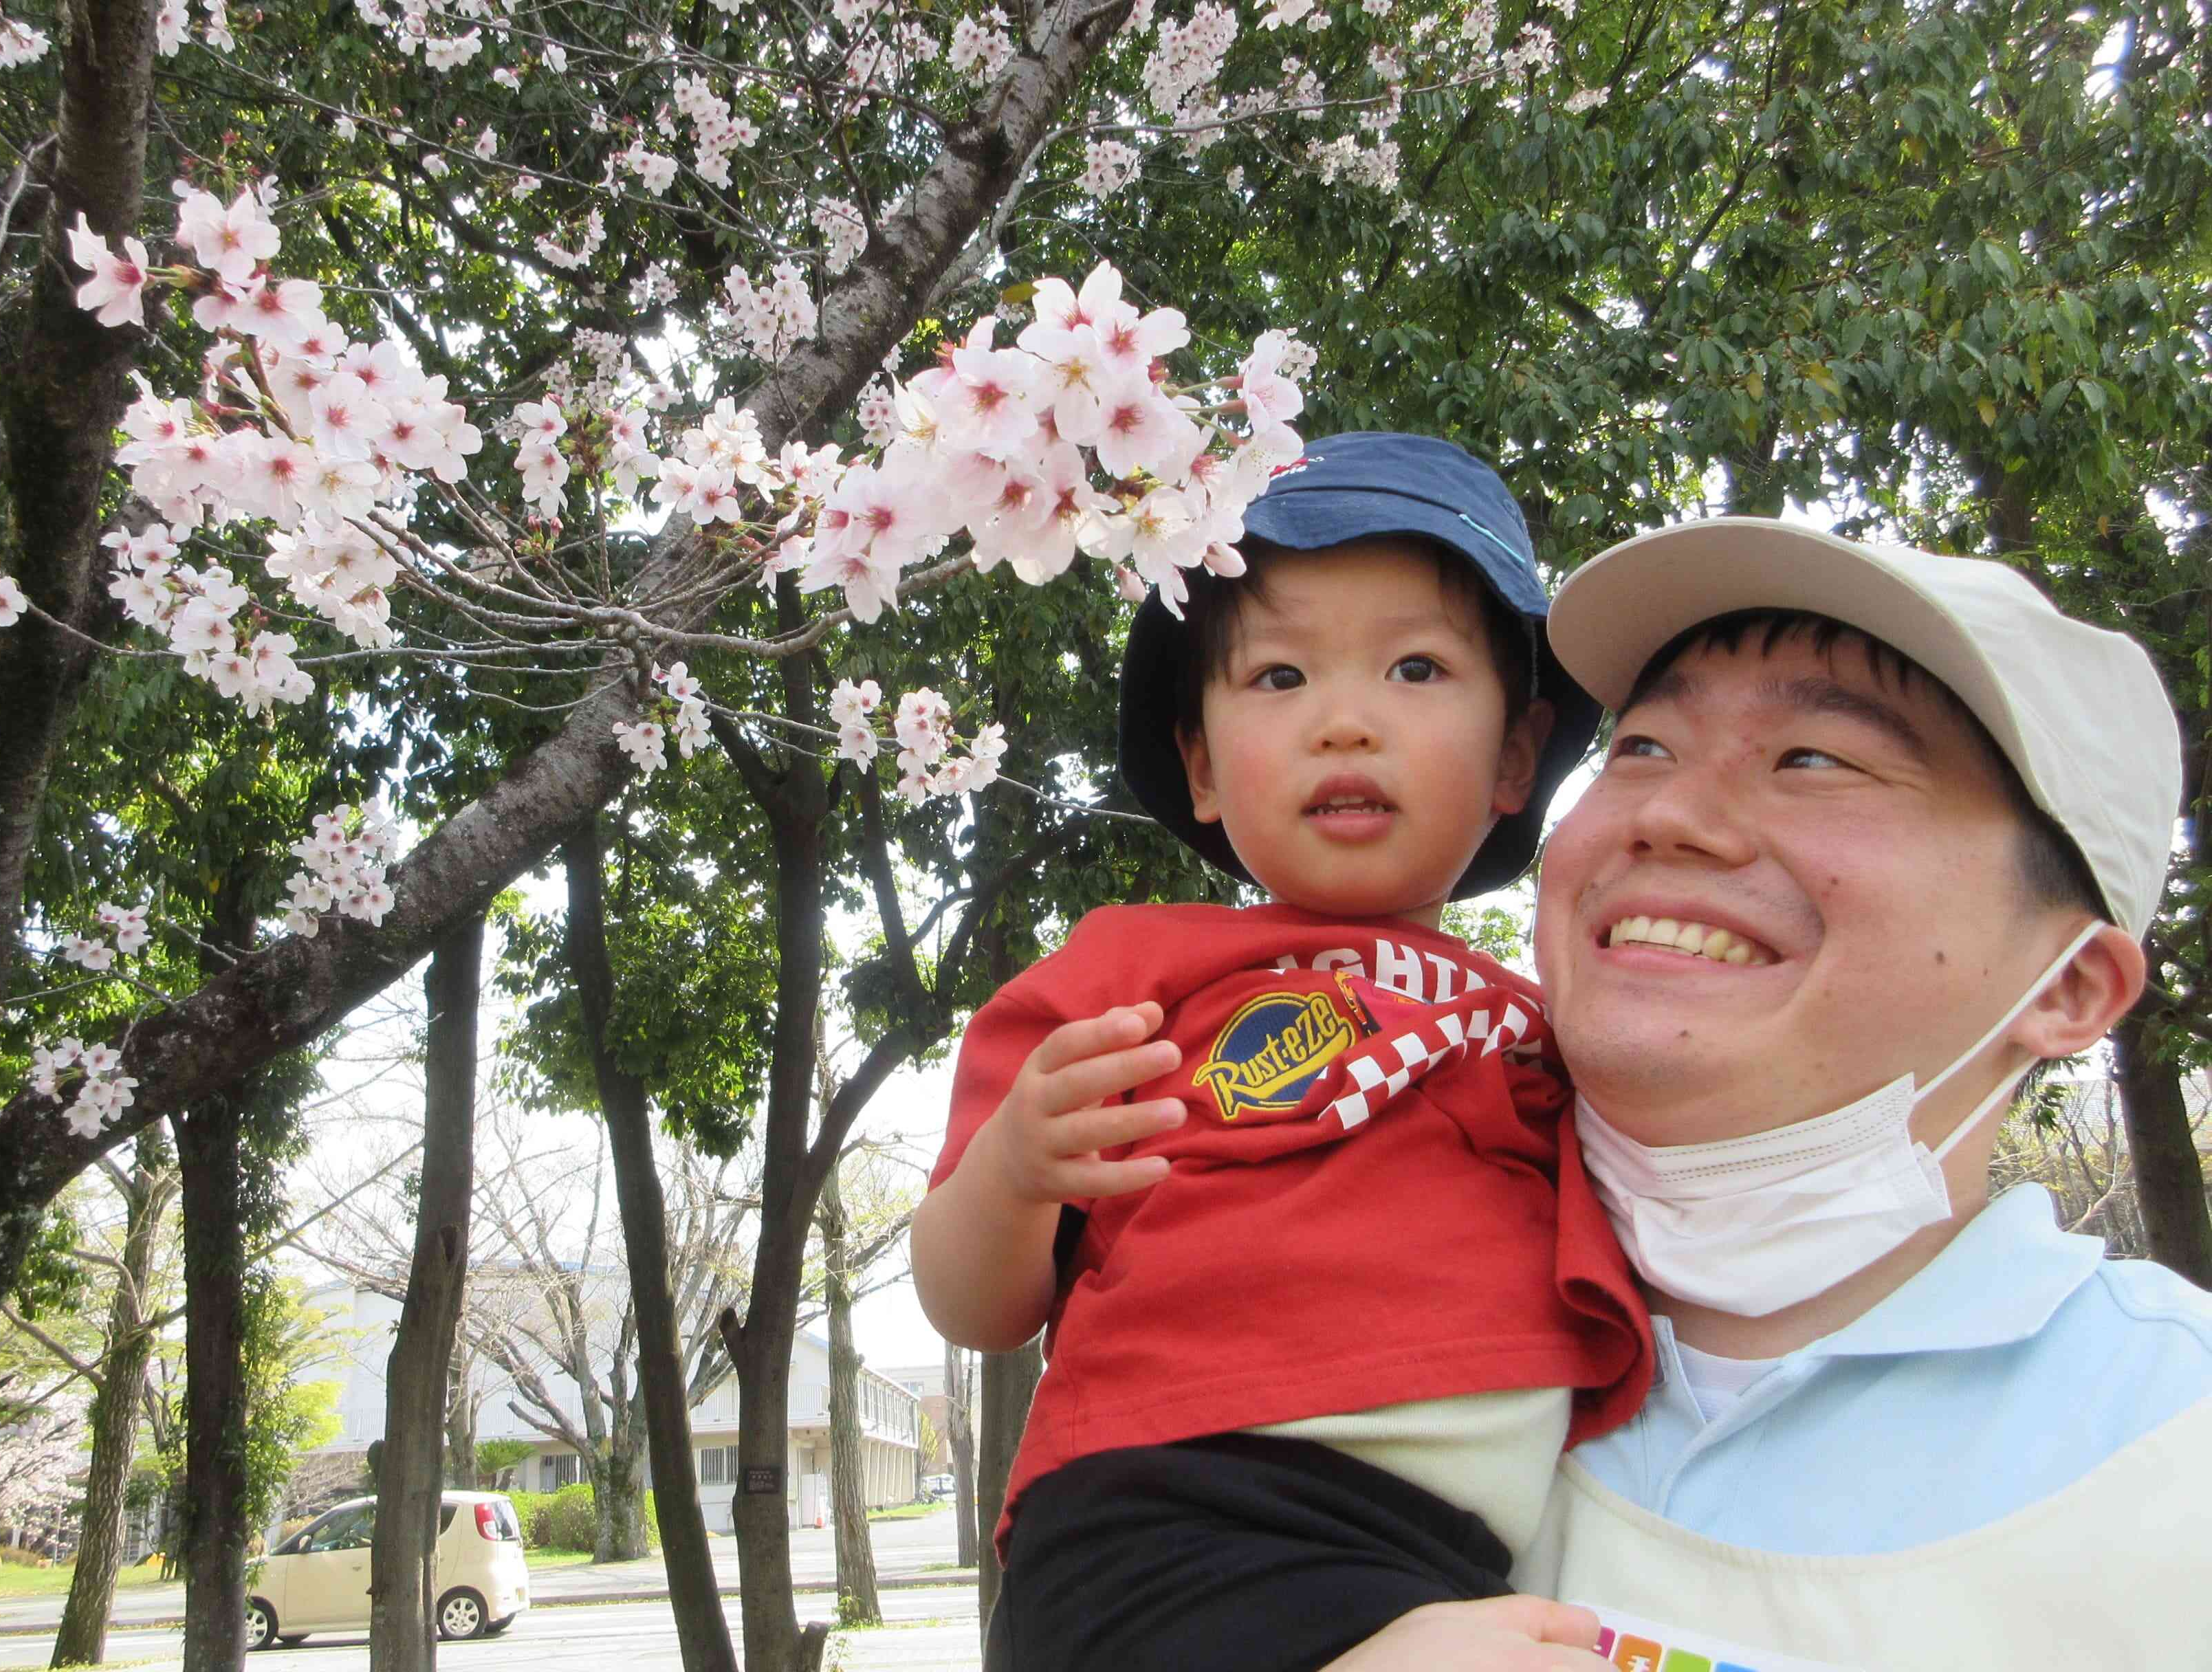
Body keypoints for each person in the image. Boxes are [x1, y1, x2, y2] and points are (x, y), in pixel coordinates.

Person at [1331, 516, 2212, 1669]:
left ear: (2073, 986)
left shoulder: (2169, 1451)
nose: (1668, 815)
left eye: (1814, 760)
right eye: (1643, 747)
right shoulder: (1314, 1284)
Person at [912, 433, 1654, 1672]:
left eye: (1416, 668)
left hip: (1447, 1559)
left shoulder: (1553, 1020)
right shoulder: (1127, 973)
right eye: (1279, 679)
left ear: (1516, 755)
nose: (1346, 723)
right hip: (1175, 1517)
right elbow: (972, 1303)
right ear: (1199, 763)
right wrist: (1015, 1171)